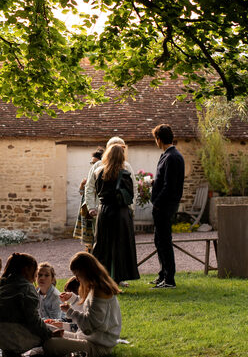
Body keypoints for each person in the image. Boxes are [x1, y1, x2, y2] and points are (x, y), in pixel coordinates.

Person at [43, 252, 122, 357]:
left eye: (77, 274)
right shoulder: (96, 288)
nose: (76, 278)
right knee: (45, 327)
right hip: (87, 338)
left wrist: (69, 311)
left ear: (85, 272)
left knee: (49, 344)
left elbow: (88, 327)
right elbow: (88, 312)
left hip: (97, 345)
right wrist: (73, 299)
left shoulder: (99, 292)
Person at [0, 253, 63, 357]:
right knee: (50, 332)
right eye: (36, 271)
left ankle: (11, 354)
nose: (36, 275)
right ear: (26, 270)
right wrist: (50, 334)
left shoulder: (3, 283)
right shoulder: (27, 288)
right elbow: (33, 320)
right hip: (14, 337)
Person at [90, 144, 140, 286]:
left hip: (104, 211)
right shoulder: (124, 174)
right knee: (120, 246)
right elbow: (129, 197)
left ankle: (101, 278)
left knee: (102, 245)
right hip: (120, 213)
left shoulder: (99, 172)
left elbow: (97, 191)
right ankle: (117, 278)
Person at [148, 124, 185, 289]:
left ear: (159, 139)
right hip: (162, 205)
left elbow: (170, 186)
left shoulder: (172, 157)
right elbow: (164, 180)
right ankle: (163, 274)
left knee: (164, 241)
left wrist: (157, 203)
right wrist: (154, 183)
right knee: (159, 241)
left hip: (164, 206)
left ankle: (169, 279)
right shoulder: (167, 155)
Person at [72, 147, 104, 252]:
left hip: (96, 206)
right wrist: (82, 185)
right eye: (92, 163)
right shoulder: (91, 173)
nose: (93, 164)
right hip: (87, 207)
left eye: (95, 162)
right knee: (89, 239)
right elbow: (82, 193)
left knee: (96, 234)